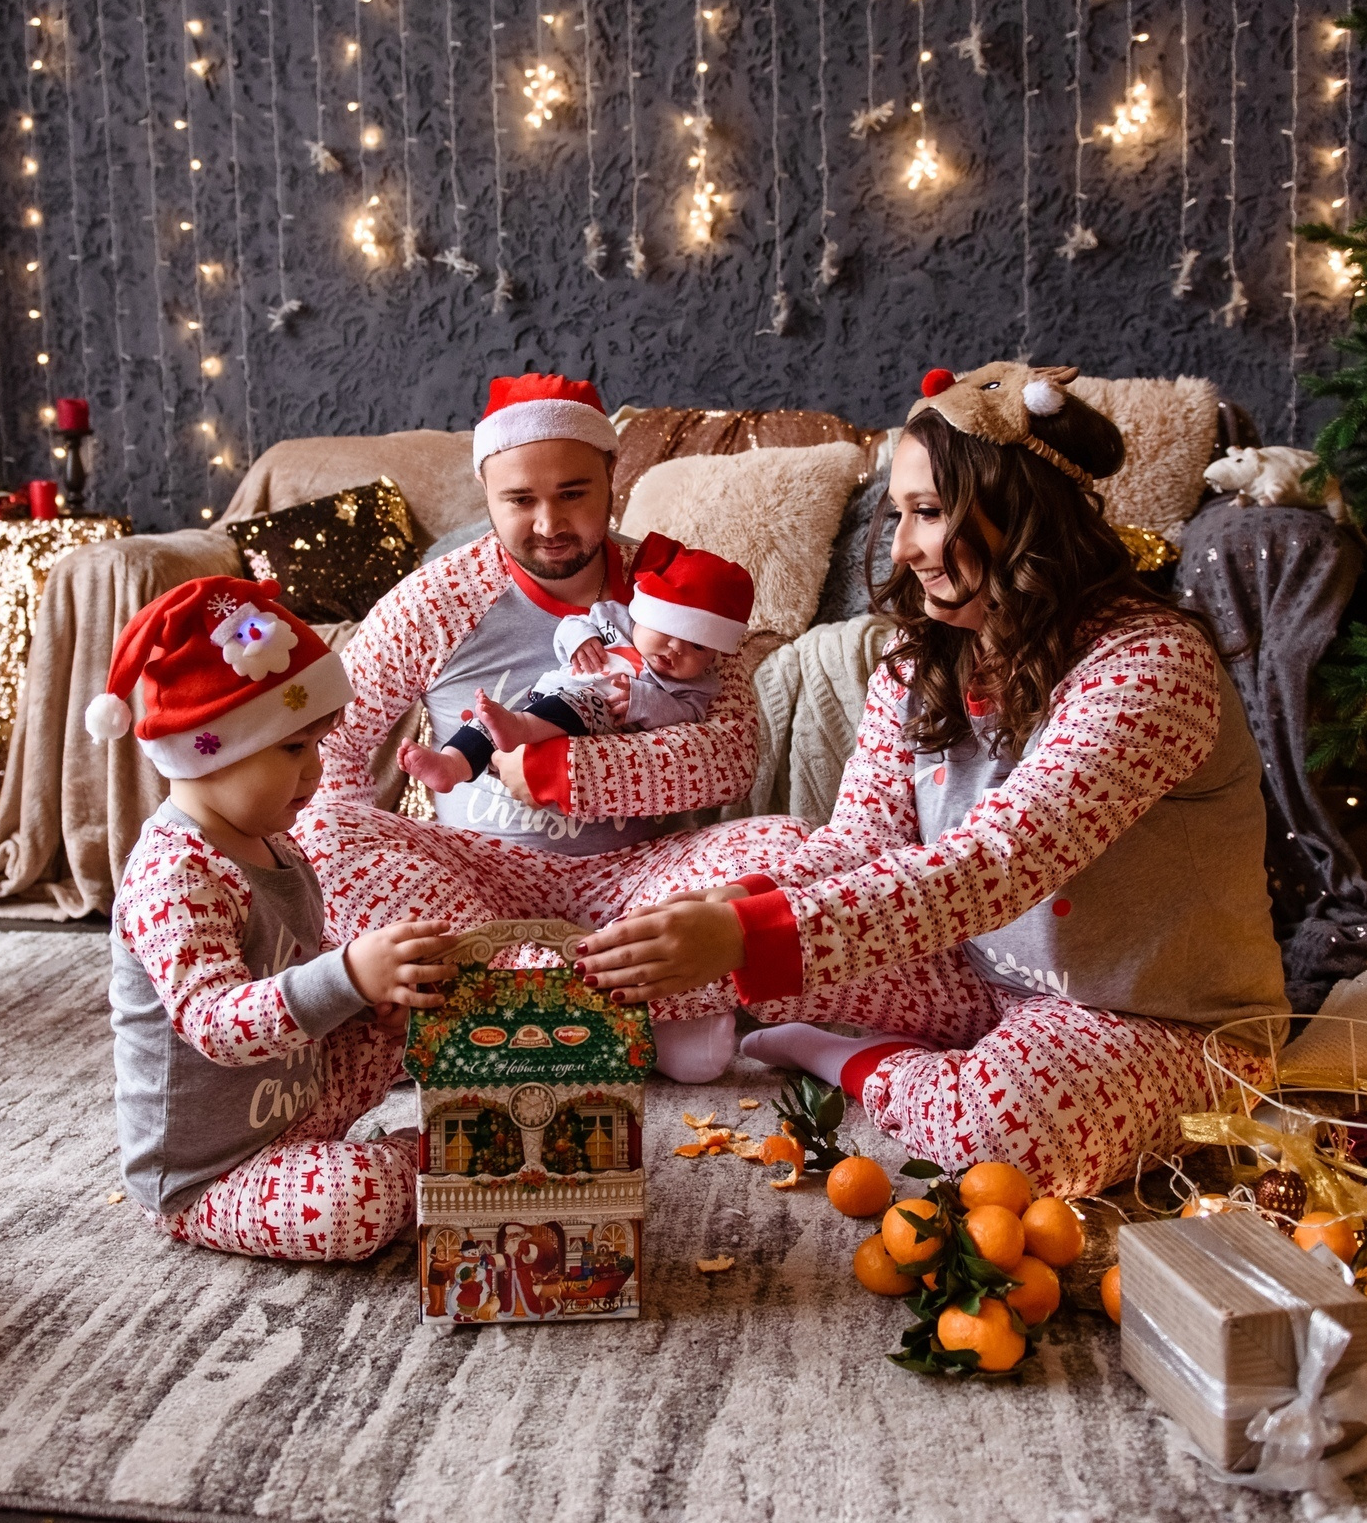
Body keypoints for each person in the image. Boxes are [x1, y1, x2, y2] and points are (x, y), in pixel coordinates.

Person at [574, 362, 1290, 1196]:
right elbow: (862, 844)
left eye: (929, 513)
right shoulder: (921, 662)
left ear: (1021, 512)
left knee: (1000, 1130)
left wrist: (750, 937)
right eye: (900, 513)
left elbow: (997, 864)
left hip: (1161, 1020)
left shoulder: (1149, 666)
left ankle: (838, 1055)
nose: (903, 547)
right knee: (724, 891)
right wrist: (730, 905)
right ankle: (506, 1022)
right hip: (976, 979)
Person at [296, 371, 1001, 1082]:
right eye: (519, 500)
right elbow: (335, 746)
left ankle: (512, 1019)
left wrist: (569, 773)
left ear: (612, 475)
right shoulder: (435, 601)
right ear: (485, 490)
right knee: (316, 836)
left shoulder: (674, 583)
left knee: (787, 843)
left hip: (639, 884)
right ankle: (631, 1020)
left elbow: (732, 757)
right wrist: (365, 925)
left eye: (573, 493)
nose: (548, 523)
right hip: (478, 882)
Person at [90, 576, 462, 1262]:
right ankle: (411, 1167)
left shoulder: (276, 844)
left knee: (396, 991)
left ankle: (390, 1155)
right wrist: (348, 973)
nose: (317, 770)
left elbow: (300, 963)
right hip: (209, 1169)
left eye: (318, 744)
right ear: (213, 749)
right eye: (293, 749)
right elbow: (215, 1025)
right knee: (353, 1204)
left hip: (287, 1106)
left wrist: (370, 996)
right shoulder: (173, 874)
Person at [399, 540, 754, 796]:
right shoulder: (613, 616)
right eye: (669, 629)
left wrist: (644, 700)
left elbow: (687, 716)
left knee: (582, 703)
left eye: (697, 646)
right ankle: (451, 765)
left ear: (712, 656)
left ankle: (516, 729)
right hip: (548, 696)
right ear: (646, 612)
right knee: (487, 721)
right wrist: (581, 639)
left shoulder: (698, 686)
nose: (676, 648)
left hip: (600, 725)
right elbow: (570, 624)